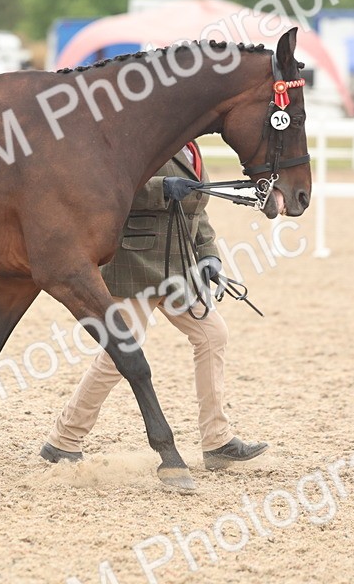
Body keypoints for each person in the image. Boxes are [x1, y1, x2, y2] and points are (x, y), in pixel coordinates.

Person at [40, 141, 268, 470]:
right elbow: (109, 188)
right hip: (136, 261)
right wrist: (161, 189)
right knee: (119, 355)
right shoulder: (143, 136)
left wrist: (209, 255)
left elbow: (197, 207)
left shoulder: (190, 145)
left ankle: (217, 441)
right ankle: (64, 439)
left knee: (212, 335)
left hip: (178, 266)